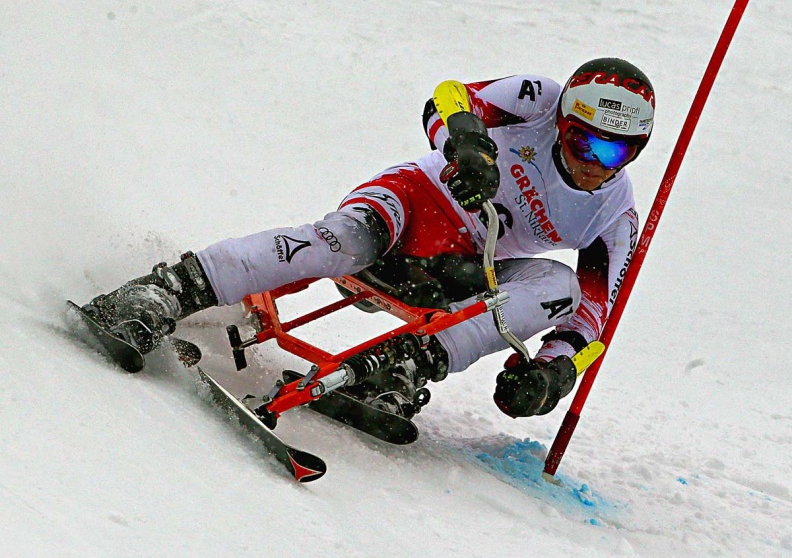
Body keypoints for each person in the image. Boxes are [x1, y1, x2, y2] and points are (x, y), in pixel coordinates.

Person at [81, 57, 654, 420]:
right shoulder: (537, 98)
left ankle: (403, 367)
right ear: (561, 122)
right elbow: (448, 96)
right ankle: (163, 292)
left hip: (459, 270)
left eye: (615, 152)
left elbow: (591, 320)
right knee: (343, 242)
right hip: (410, 205)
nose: (593, 163)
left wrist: (555, 372)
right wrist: (467, 144)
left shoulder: (615, 216)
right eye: (582, 142)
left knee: (558, 284)